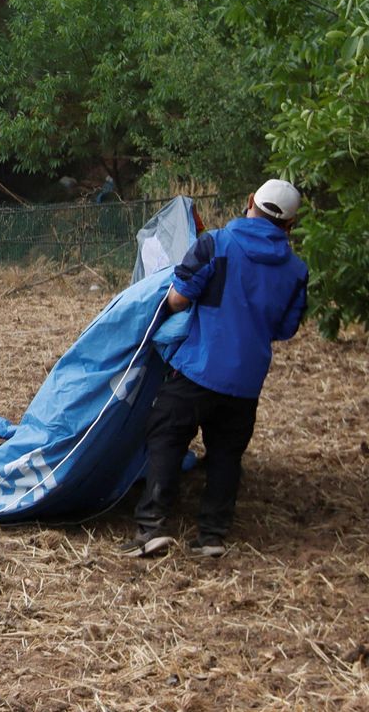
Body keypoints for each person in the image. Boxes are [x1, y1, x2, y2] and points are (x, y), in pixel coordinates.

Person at [120, 180, 309, 559]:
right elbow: (286, 328)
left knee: (166, 437)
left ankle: (153, 527)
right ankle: (212, 536)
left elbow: (177, 298)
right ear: (290, 224)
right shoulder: (296, 270)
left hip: (197, 368)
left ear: (250, 201)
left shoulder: (217, 244)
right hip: (246, 381)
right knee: (225, 454)